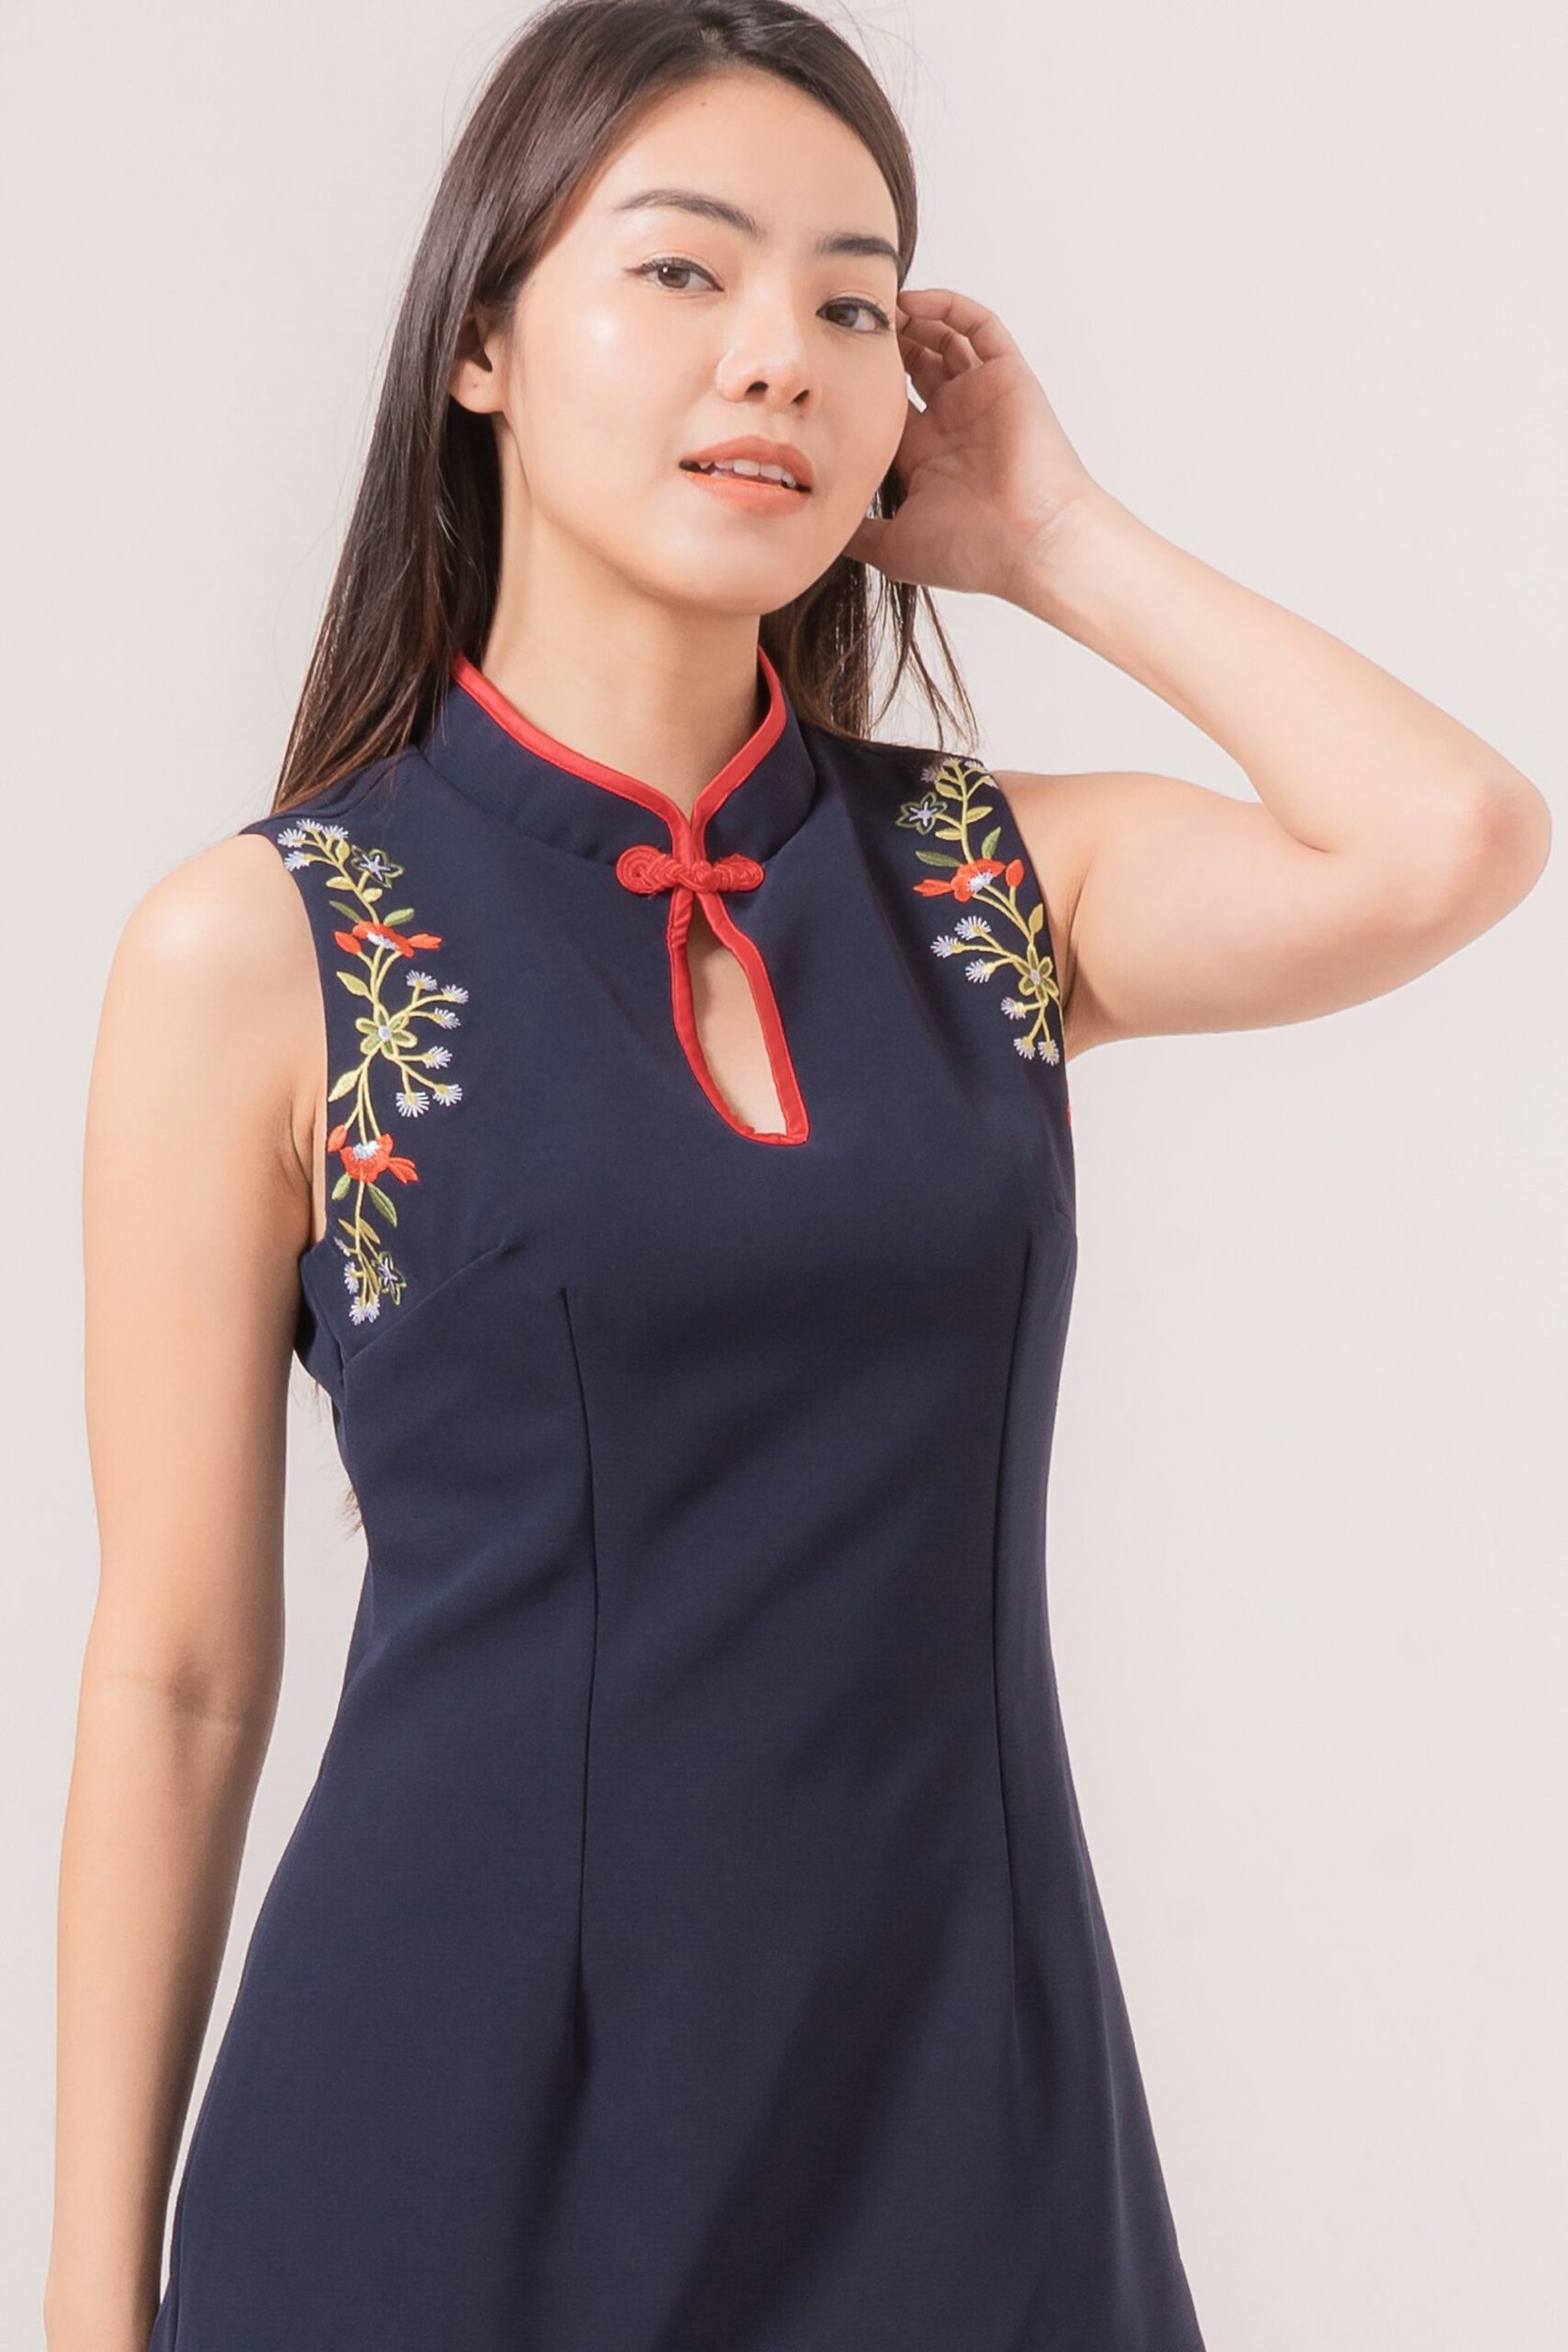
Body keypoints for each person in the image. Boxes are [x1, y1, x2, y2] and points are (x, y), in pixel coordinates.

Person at [47, 3, 1549, 2348]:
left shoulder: (987, 885)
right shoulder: (265, 945)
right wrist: (84, 2303)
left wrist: (1046, 538)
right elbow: (176, 1678)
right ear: (479, 346)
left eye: (851, 305)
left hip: (961, 2124)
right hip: (439, 2145)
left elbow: (1443, 839)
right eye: (682, 269)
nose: (776, 354)